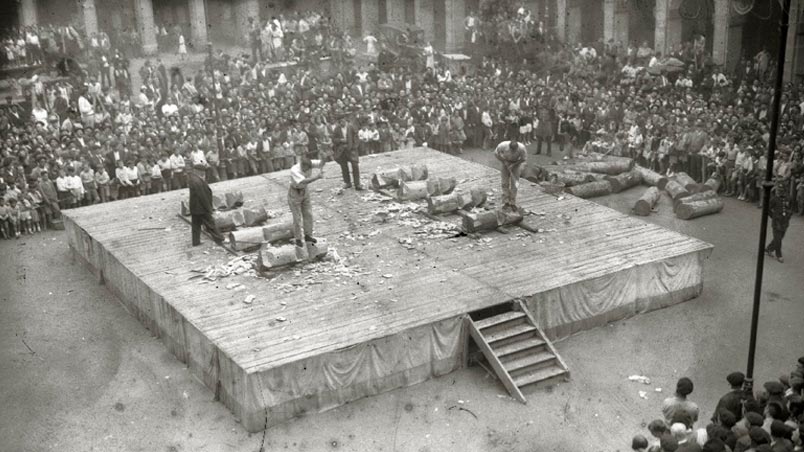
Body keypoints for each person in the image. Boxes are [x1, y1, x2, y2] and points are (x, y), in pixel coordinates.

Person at [288, 155, 325, 248]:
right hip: (295, 192)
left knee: (308, 214)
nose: (307, 170)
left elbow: (321, 163)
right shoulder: (294, 170)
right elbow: (303, 181)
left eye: (309, 168)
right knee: (297, 218)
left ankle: (308, 235)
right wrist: (317, 177)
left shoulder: (309, 163)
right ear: (302, 165)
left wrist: (325, 156)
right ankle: (298, 239)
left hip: (305, 191)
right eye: (306, 169)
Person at [187, 163, 223, 246]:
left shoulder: (194, 179)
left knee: (196, 225)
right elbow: (202, 196)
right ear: (198, 171)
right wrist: (209, 208)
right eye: (203, 171)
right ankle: (220, 239)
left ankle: (196, 242)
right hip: (201, 208)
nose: (204, 173)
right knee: (210, 224)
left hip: (195, 207)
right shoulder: (197, 181)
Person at [765, 180, 793, 263]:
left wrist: (789, 215)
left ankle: (769, 249)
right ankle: (779, 255)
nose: (780, 192)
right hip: (776, 222)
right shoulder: (774, 199)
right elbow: (768, 208)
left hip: (785, 222)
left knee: (780, 237)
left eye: (782, 190)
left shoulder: (789, 197)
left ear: (785, 190)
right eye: (779, 190)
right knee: (778, 239)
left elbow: (791, 207)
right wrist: (773, 216)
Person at [494, 139, 527, 211]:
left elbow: (523, 159)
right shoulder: (503, 145)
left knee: (514, 184)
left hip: (516, 164)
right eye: (512, 150)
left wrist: (514, 165)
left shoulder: (521, 148)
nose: (513, 152)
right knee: (504, 183)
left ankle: (512, 202)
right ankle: (506, 202)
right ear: (509, 147)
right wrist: (504, 161)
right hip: (505, 163)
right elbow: (496, 153)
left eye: (515, 151)